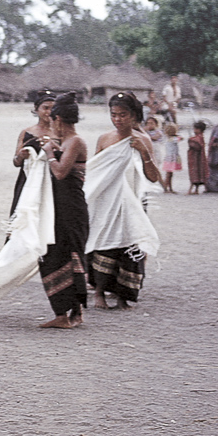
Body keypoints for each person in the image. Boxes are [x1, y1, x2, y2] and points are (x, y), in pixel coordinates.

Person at [86, 92, 161, 310]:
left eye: (123, 115)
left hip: (131, 202)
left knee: (130, 243)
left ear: (134, 115)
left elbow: (153, 177)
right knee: (103, 241)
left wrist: (144, 153)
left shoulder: (143, 139)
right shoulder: (105, 139)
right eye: (114, 115)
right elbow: (94, 172)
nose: (118, 119)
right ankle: (99, 292)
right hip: (106, 201)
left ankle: (123, 295)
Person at [34, 92, 89, 329]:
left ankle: (67, 314)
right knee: (57, 255)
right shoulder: (65, 143)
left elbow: (60, 172)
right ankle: (67, 314)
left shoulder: (75, 142)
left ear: (58, 119)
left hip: (71, 209)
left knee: (67, 256)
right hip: (61, 208)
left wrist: (48, 153)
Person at [9, 90, 54, 217]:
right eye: (45, 108)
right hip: (27, 179)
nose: (49, 112)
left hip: (52, 180)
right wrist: (22, 156)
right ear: (36, 109)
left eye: (53, 108)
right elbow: (16, 162)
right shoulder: (27, 132)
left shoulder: (60, 133)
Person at [186, 121, 209, 195]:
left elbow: (197, 145)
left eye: (196, 129)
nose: (194, 130)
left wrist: (190, 140)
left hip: (197, 160)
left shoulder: (199, 137)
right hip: (196, 159)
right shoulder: (199, 137)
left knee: (195, 174)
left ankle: (192, 189)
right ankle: (196, 190)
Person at [160, 122, 183, 193]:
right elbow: (181, 138)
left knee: (169, 174)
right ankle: (166, 187)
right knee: (169, 175)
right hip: (172, 158)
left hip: (169, 158)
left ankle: (168, 188)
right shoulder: (174, 139)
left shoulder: (168, 138)